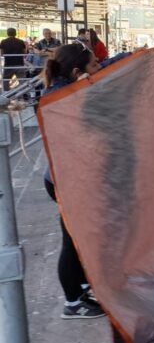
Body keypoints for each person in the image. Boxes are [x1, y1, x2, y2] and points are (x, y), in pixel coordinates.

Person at [42, 43, 105, 319]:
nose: (99, 68)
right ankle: (72, 302)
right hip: (64, 180)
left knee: (81, 236)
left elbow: (114, 62)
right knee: (71, 240)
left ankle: (82, 286)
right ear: (78, 72)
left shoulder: (68, 89)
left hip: (70, 177)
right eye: (94, 64)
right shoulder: (59, 97)